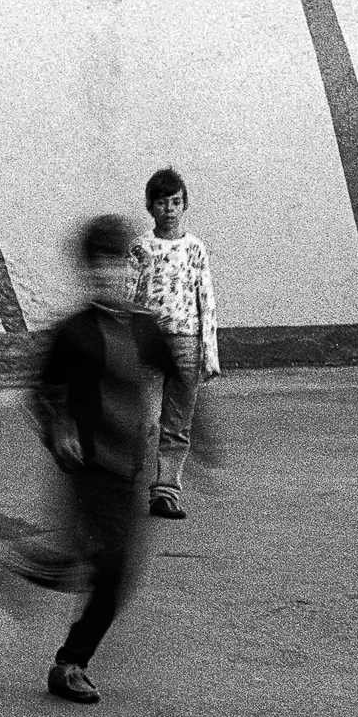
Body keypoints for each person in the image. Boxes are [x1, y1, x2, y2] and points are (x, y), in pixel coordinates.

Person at [0, 213, 184, 705]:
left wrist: (196, 450)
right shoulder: (73, 332)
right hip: (87, 467)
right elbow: (40, 393)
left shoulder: (147, 329)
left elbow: (180, 382)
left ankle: (31, 565)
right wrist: (58, 431)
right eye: (100, 267)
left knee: (105, 567)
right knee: (113, 568)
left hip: (130, 467)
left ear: (131, 270)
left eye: (120, 265)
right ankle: (71, 663)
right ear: (87, 273)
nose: (113, 276)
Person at [126, 167, 219, 520]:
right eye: (162, 202)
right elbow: (129, 297)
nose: (170, 209)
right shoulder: (140, 247)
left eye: (176, 202)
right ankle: (124, 483)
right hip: (148, 344)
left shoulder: (195, 248)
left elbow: (205, 299)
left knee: (177, 424)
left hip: (186, 343)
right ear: (150, 207)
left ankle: (165, 492)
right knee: (144, 420)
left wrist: (208, 352)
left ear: (185, 205)